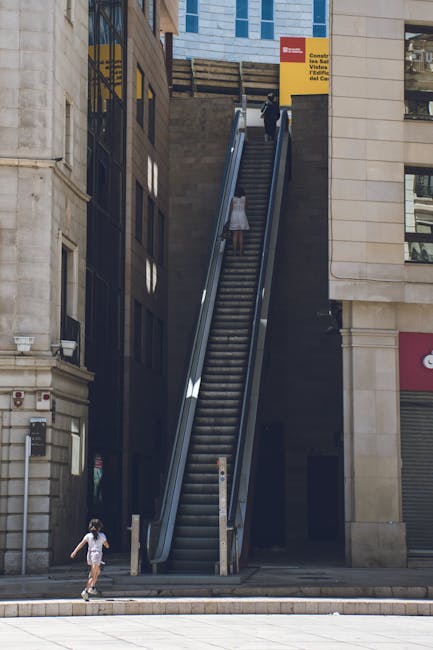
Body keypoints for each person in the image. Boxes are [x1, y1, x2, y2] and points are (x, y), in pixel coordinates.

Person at [70, 518, 109, 601]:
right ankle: (86, 590)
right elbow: (106, 545)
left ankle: (92, 587)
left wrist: (74, 551)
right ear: (99, 527)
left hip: (90, 555)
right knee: (93, 574)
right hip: (97, 555)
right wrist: (105, 544)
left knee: (97, 572)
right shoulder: (102, 535)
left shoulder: (88, 536)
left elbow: (81, 544)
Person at [229, 186, 249, 255]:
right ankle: (241, 251)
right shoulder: (244, 199)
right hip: (242, 215)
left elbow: (231, 209)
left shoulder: (233, 199)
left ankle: (234, 251)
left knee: (235, 234)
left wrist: (229, 218)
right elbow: (246, 207)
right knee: (241, 234)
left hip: (234, 215)